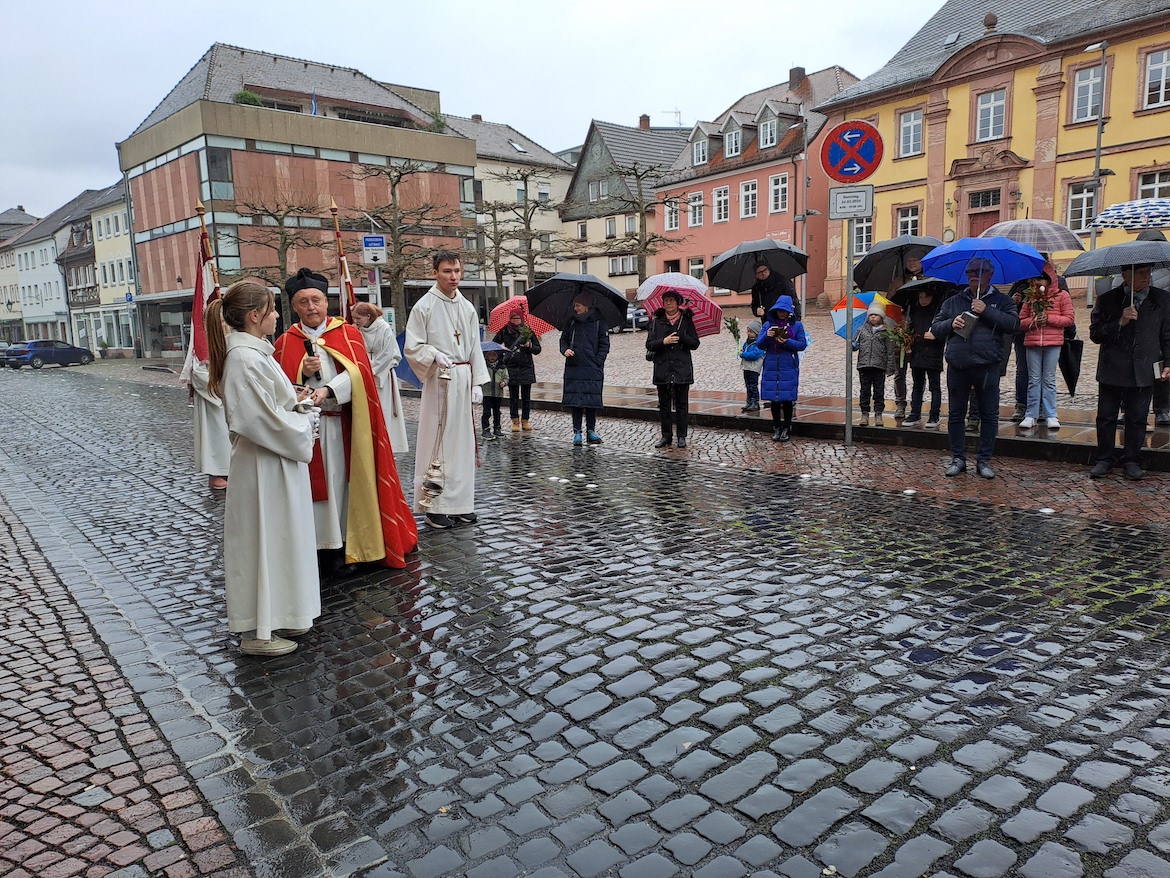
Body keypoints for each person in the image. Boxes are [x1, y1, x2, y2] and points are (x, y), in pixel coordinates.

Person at [274, 269, 418, 570]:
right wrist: (301, 368)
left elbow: (362, 375)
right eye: (303, 302)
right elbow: (277, 385)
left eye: (316, 300)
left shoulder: (349, 334)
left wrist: (328, 388)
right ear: (294, 307)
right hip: (305, 430)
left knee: (342, 485)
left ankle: (345, 545)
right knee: (314, 489)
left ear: (327, 302)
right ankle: (318, 546)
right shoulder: (286, 341)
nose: (311, 307)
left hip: (344, 426)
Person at [205, 281, 320, 658]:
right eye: (272, 310)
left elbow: (271, 405)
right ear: (255, 316)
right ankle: (258, 630)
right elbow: (255, 420)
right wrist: (305, 420)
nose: (276, 316)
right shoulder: (244, 358)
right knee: (262, 541)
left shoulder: (256, 353)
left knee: (283, 537)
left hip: (276, 462)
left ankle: (285, 611)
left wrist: (294, 399)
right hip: (262, 465)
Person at [405, 251, 488, 529]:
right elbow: (412, 346)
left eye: (456, 271)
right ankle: (434, 506)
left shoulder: (467, 307)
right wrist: (432, 354)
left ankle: (461, 503)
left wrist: (477, 381)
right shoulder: (424, 307)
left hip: (463, 377)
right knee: (438, 441)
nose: (453, 277)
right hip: (440, 378)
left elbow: (475, 346)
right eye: (446, 271)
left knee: (462, 444)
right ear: (435, 273)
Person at [931, 257, 1019, 479]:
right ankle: (958, 458)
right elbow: (936, 327)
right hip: (958, 365)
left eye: (979, 272)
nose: (973, 275)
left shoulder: (1002, 300)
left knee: (989, 415)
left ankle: (984, 460)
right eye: (970, 271)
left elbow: (1013, 325)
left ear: (990, 274)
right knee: (956, 414)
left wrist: (986, 310)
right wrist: (951, 324)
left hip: (987, 366)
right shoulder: (953, 301)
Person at [1089, 264, 1170, 481]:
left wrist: (1168, 363)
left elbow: (1167, 336)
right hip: (1112, 367)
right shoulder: (1108, 300)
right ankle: (1104, 459)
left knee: (1137, 418)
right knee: (1106, 416)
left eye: (1148, 272)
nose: (1147, 276)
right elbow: (1095, 334)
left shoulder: (1161, 299)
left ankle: (1132, 459)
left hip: (1144, 367)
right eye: (1141, 272)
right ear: (1126, 275)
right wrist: (1120, 322)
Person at [1017, 263, 1075, 431]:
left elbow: (1069, 319)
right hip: (1033, 342)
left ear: (1049, 280)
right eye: (1034, 279)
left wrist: (1049, 319)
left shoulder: (1062, 296)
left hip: (1053, 342)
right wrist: (1033, 322)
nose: (1037, 282)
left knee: (1048, 379)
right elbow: (1021, 322)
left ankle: (1051, 414)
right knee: (1033, 379)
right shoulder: (1030, 297)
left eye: (1040, 279)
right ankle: (1031, 414)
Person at [352, 301, 408, 454]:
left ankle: (385, 447)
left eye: (358, 318)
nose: (355, 321)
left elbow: (387, 355)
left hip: (381, 375)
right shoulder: (358, 329)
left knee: (383, 410)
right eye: (354, 318)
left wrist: (369, 370)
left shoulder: (384, 328)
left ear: (368, 316)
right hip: (363, 374)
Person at [646, 289, 700, 448]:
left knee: (682, 404)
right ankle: (666, 436)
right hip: (663, 367)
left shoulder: (686, 321)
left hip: (681, 367)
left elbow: (695, 344)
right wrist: (664, 341)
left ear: (678, 303)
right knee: (664, 404)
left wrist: (683, 336)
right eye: (666, 300)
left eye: (671, 300)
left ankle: (681, 436)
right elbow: (649, 344)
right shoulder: (656, 321)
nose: (668, 303)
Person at [560, 291, 610, 446]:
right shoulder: (571, 322)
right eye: (575, 305)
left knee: (591, 401)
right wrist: (565, 350)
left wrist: (597, 360)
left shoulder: (599, 322)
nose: (576, 308)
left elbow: (604, 344)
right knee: (576, 401)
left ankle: (591, 430)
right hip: (574, 367)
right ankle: (577, 432)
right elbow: (563, 340)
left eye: (578, 305)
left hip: (592, 367)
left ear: (586, 306)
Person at [181, 340, 231, 491]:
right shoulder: (202, 345)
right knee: (217, 436)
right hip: (214, 400)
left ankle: (230, 470)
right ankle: (217, 473)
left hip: (226, 397)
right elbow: (198, 373)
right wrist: (222, 387)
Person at [758, 295, 808, 442]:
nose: (781, 313)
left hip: (788, 365)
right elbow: (760, 345)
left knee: (787, 399)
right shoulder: (768, 325)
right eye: (779, 310)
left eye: (784, 311)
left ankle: (786, 427)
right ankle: (776, 427)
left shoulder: (797, 326)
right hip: (771, 365)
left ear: (789, 312)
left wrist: (787, 342)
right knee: (774, 399)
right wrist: (767, 336)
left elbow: (802, 344)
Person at [900, 286, 945, 428]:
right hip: (918, 352)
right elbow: (910, 330)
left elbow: (945, 330)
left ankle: (934, 415)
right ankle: (915, 413)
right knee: (917, 385)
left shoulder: (939, 311)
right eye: (921, 297)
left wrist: (936, 335)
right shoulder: (914, 311)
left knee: (934, 386)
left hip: (933, 353)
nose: (923, 300)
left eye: (926, 297)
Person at [886, 255, 924, 418]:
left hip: (919, 331)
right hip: (900, 330)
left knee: (919, 372)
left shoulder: (928, 279)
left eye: (915, 260)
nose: (912, 263)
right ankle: (900, 403)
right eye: (909, 260)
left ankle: (917, 406)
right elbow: (888, 304)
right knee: (899, 372)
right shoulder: (897, 281)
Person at [493, 308, 542, 433]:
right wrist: (503, 353)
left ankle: (525, 420)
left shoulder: (527, 331)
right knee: (513, 396)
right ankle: (515, 420)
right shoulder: (504, 330)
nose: (515, 321)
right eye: (513, 318)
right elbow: (494, 345)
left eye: (517, 318)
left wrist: (530, 345)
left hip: (526, 367)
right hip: (511, 367)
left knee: (526, 396)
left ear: (521, 318)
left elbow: (537, 349)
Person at [852, 302, 897, 426]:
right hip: (864, 366)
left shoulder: (886, 331)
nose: (873, 317)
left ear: (881, 317)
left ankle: (878, 414)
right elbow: (854, 345)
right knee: (864, 391)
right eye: (871, 315)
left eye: (876, 315)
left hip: (879, 366)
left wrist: (890, 368)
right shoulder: (861, 330)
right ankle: (864, 414)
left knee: (879, 391)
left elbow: (890, 351)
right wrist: (853, 344)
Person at [481, 343, 509, 440]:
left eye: (494, 355)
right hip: (487, 392)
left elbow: (506, 377)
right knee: (486, 412)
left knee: (497, 412)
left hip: (497, 393)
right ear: (486, 355)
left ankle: (497, 428)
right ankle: (485, 429)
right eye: (489, 354)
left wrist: (504, 383)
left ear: (498, 355)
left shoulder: (502, 367)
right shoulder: (484, 366)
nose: (492, 357)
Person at [740, 319, 764, 412]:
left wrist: (743, 354)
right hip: (746, 367)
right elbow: (744, 350)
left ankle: (755, 402)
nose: (749, 333)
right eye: (748, 331)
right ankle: (749, 401)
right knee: (748, 385)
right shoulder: (747, 342)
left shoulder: (759, 344)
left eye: (751, 332)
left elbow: (754, 355)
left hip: (754, 368)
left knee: (753, 385)